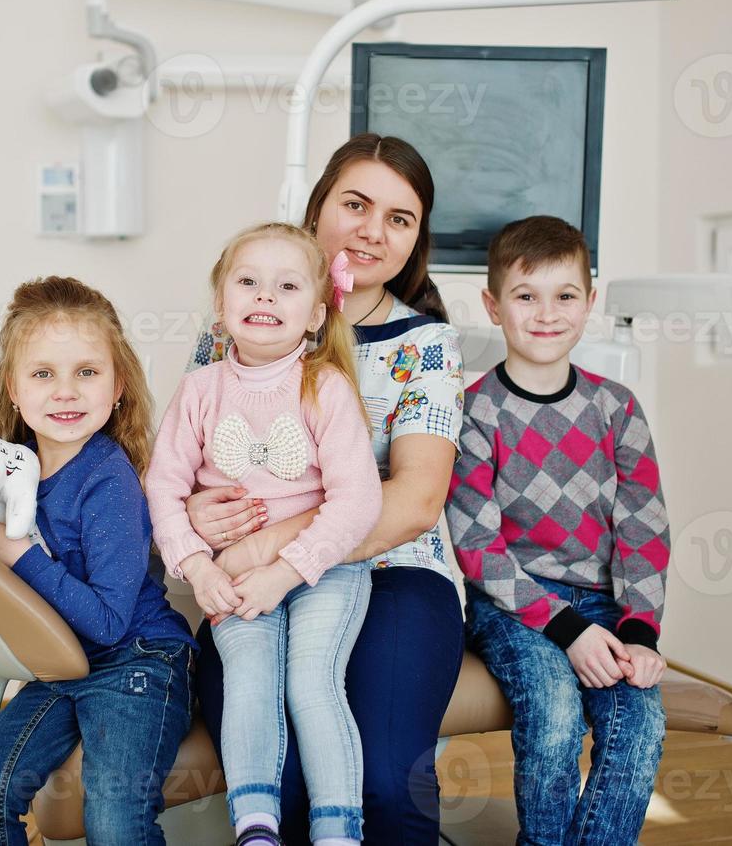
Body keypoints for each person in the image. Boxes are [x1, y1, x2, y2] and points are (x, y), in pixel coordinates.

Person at [186, 134, 467, 844]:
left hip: (389, 573)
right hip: (249, 585)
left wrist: (277, 551)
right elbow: (188, 468)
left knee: (383, 787)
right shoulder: (233, 330)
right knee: (271, 787)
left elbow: (415, 502)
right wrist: (194, 511)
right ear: (316, 210)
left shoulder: (425, 347)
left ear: (414, 241)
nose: (373, 230)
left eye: (399, 218)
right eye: (356, 204)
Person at [146, 222, 381, 846]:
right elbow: (162, 487)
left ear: (315, 313)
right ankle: (256, 822)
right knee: (249, 679)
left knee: (311, 681)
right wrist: (199, 569)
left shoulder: (324, 387)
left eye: (286, 286)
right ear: (221, 305)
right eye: (248, 282)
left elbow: (358, 500)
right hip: (232, 575)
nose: (264, 298)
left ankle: (337, 829)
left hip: (326, 566)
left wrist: (288, 569)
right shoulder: (199, 390)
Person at [0, 276, 196, 846]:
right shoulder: (15, 472)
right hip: (62, 665)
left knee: (113, 819)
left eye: (87, 372)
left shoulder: (108, 480)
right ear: (13, 389)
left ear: (118, 388)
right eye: (43, 374)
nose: (66, 392)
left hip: (138, 660)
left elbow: (109, 619)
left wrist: (20, 555)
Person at [446, 216, 669, 846]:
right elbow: (478, 550)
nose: (547, 314)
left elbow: (644, 530)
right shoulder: (474, 413)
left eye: (565, 295)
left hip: (607, 609)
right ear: (493, 306)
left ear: (589, 303)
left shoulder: (617, 407)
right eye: (526, 296)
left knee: (639, 727)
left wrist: (639, 630)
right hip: (511, 610)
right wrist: (568, 630)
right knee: (553, 717)